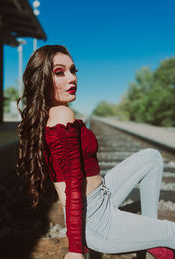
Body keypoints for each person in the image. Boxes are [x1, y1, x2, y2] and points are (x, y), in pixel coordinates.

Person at [17, 45, 175, 259]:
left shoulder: (49, 114)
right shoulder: (63, 115)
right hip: (97, 219)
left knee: (152, 157)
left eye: (73, 70)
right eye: (59, 72)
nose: (72, 78)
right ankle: (155, 236)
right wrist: (75, 250)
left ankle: (149, 236)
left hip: (102, 194)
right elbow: (73, 184)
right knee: (171, 231)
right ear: (42, 79)